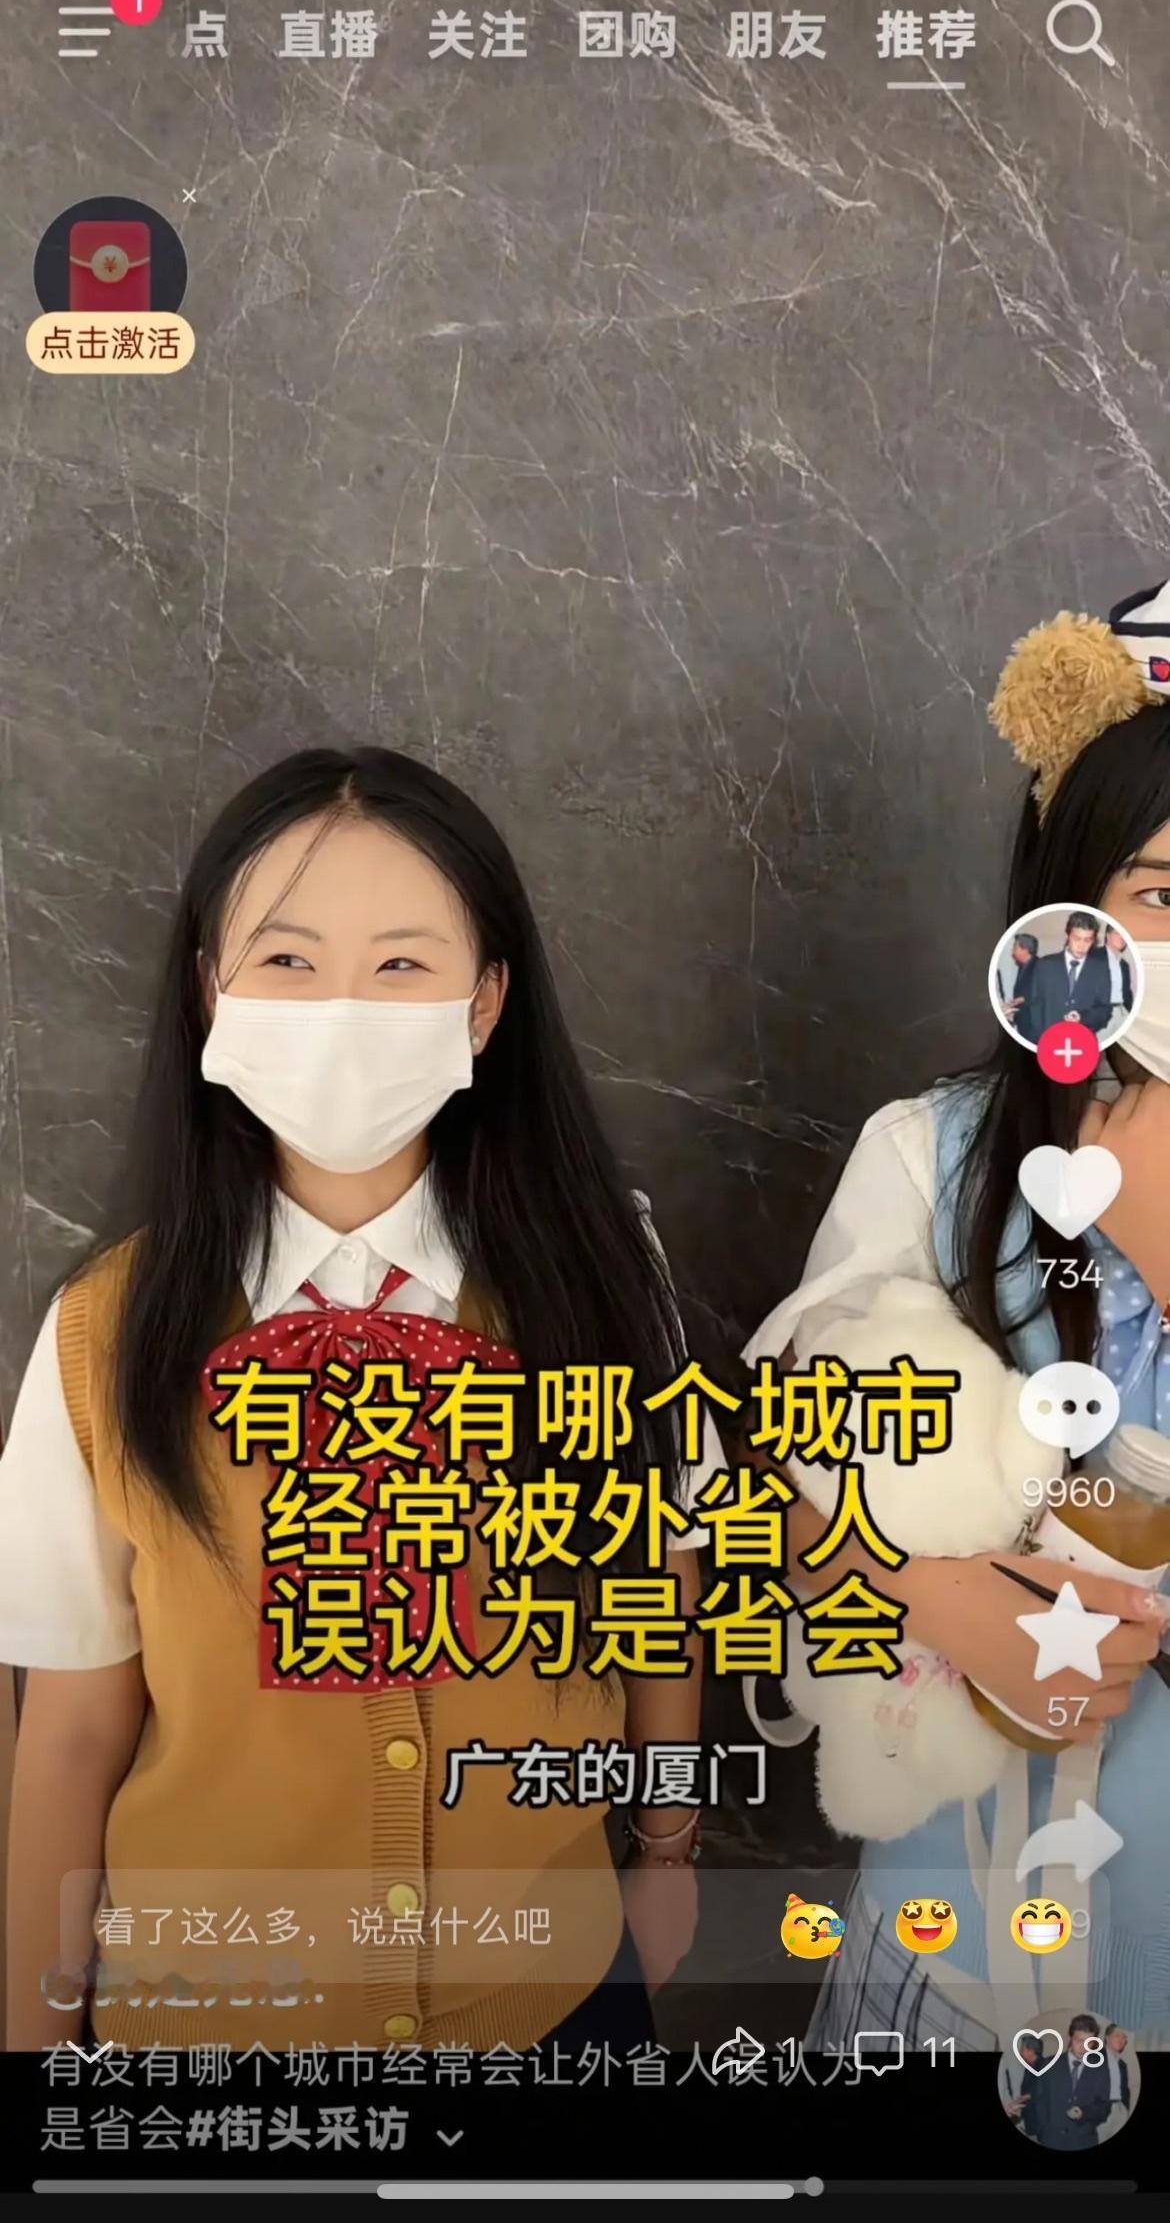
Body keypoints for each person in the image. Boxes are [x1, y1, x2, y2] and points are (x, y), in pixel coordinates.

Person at [0, 747, 726, 2053]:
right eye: (287, 960)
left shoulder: (607, 1281)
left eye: (400, 965)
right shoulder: (103, 1337)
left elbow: (657, 1584)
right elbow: (68, 1733)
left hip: (552, 2001)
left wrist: (667, 1849)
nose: (341, 1008)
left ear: (484, 1002)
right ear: (211, 991)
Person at [745, 577, 1170, 2057]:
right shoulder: (933, 1159)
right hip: (954, 1954)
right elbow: (744, 1486)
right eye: (1160, 892)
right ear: (1068, 909)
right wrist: (935, 1599)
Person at [1021, 911, 1111, 1042]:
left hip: (1083, 1042)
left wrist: (1082, 1017)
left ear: (1093, 940)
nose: (1081, 946)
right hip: (1047, 1041)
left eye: (1087, 940)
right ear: (1068, 935)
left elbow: (1105, 1010)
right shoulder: (1045, 965)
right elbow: (1033, 1005)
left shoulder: (1101, 969)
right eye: (1077, 939)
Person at [1027, 2016, 1111, 2151]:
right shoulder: (1048, 2064)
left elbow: (1104, 2108)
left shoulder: (1100, 2069)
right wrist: (1043, 2132)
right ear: (1070, 2038)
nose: (1084, 2047)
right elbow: (1039, 2102)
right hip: (1051, 2140)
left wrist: (1084, 2113)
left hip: (1084, 2142)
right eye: (1079, 2040)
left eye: (1089, 2042)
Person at [1002, 2031, 1042, 2136]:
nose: (1020, 2053)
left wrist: (1020, 2100)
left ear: (1030, 2050)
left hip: (1037, 2127)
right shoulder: (1030, 2067)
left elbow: (1038, 2093)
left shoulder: (1042, 2068)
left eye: (1022, 2050)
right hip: (1027, 2123)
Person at [1098, 2023, 1133, 2140]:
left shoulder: (1122, 2064)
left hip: (1119, 2109)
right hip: (1101, 2110)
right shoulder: (1095, 2057)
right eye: (1117, 2035)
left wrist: (1125, 2109)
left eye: (1124, 2037)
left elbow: (1125, 2089)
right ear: (1107, 2038)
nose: (1122, 2039)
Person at [996, 931, 1038, 1027]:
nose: (1012, 951)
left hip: (1033, 1022)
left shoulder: (1040, 966)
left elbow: (1045, 992)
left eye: (1015, 948)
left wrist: (1024, 999)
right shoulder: (1022, 967)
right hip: (1022, 1020)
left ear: (1025, 949)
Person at [1105, 927, 1135, 1038]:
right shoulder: (1094, 958)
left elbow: (1127, 991)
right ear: (1108, 935)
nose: (1122, 937)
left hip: (1122, 1012)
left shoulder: (1124, 964)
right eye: (1117, 933)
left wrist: (1129, 1011)